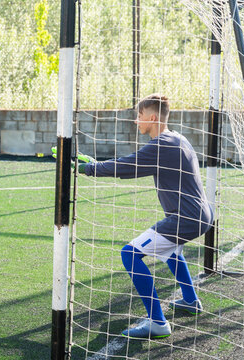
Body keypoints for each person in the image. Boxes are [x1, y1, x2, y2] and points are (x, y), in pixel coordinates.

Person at [78, 94, 213, 339]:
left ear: (151, 118)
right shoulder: (177, 138)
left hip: (187, 217)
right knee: (171, 251)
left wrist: (89, 168)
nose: (136, 121)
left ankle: (157, 322)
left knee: (129, 254)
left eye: (139, 117)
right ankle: (190, 301)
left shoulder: (162, 144)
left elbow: (127, 165)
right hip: (200, 215)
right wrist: (95, 164)